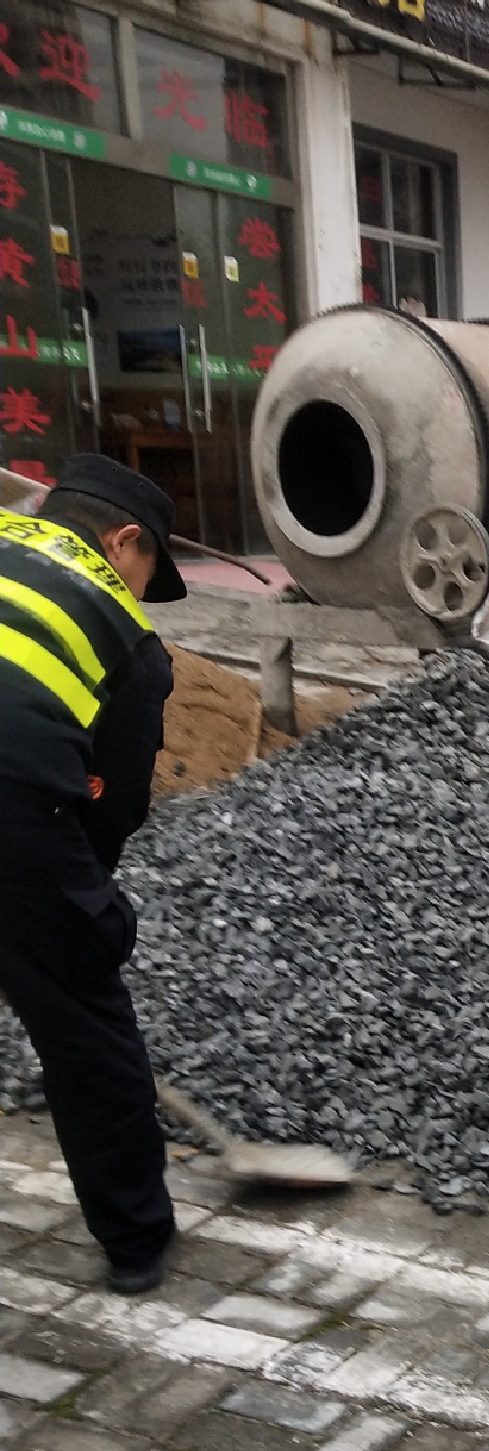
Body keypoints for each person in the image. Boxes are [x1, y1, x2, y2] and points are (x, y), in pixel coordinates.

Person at [0, 456, 185, 1293]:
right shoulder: (125, 638)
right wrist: (84, 926)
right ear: (124, 541)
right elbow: (114, 808)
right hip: (14, 802)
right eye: (150, 571)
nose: (143, 593)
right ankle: (136, 1241)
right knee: (86, 1031)